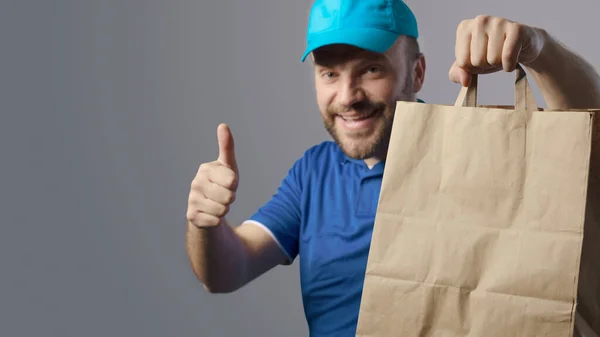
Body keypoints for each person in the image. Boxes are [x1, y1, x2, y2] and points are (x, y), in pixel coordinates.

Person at [185, 0, 600, 336]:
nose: (347, 96)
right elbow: (225, 271)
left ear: (416, 72)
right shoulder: (312, 174)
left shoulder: (469, 151)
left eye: (370, 68)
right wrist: (206, 226)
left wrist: (540, 50)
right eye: (329, 72)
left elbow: (588, 137)